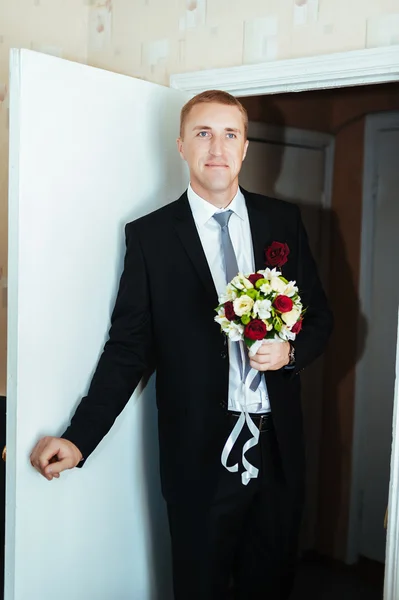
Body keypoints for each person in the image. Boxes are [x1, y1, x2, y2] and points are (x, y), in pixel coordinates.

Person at [30, 90, 333, 599]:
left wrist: (291, 353)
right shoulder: (149, 237)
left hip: (278, 451)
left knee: (273, 586)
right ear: (181, 146)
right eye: (203, 133)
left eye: (229, 134)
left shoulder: (284, 223)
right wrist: (78, 439)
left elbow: (320, 317)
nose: (217, 147)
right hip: (197, 457)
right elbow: (128, 349)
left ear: (245, 148)